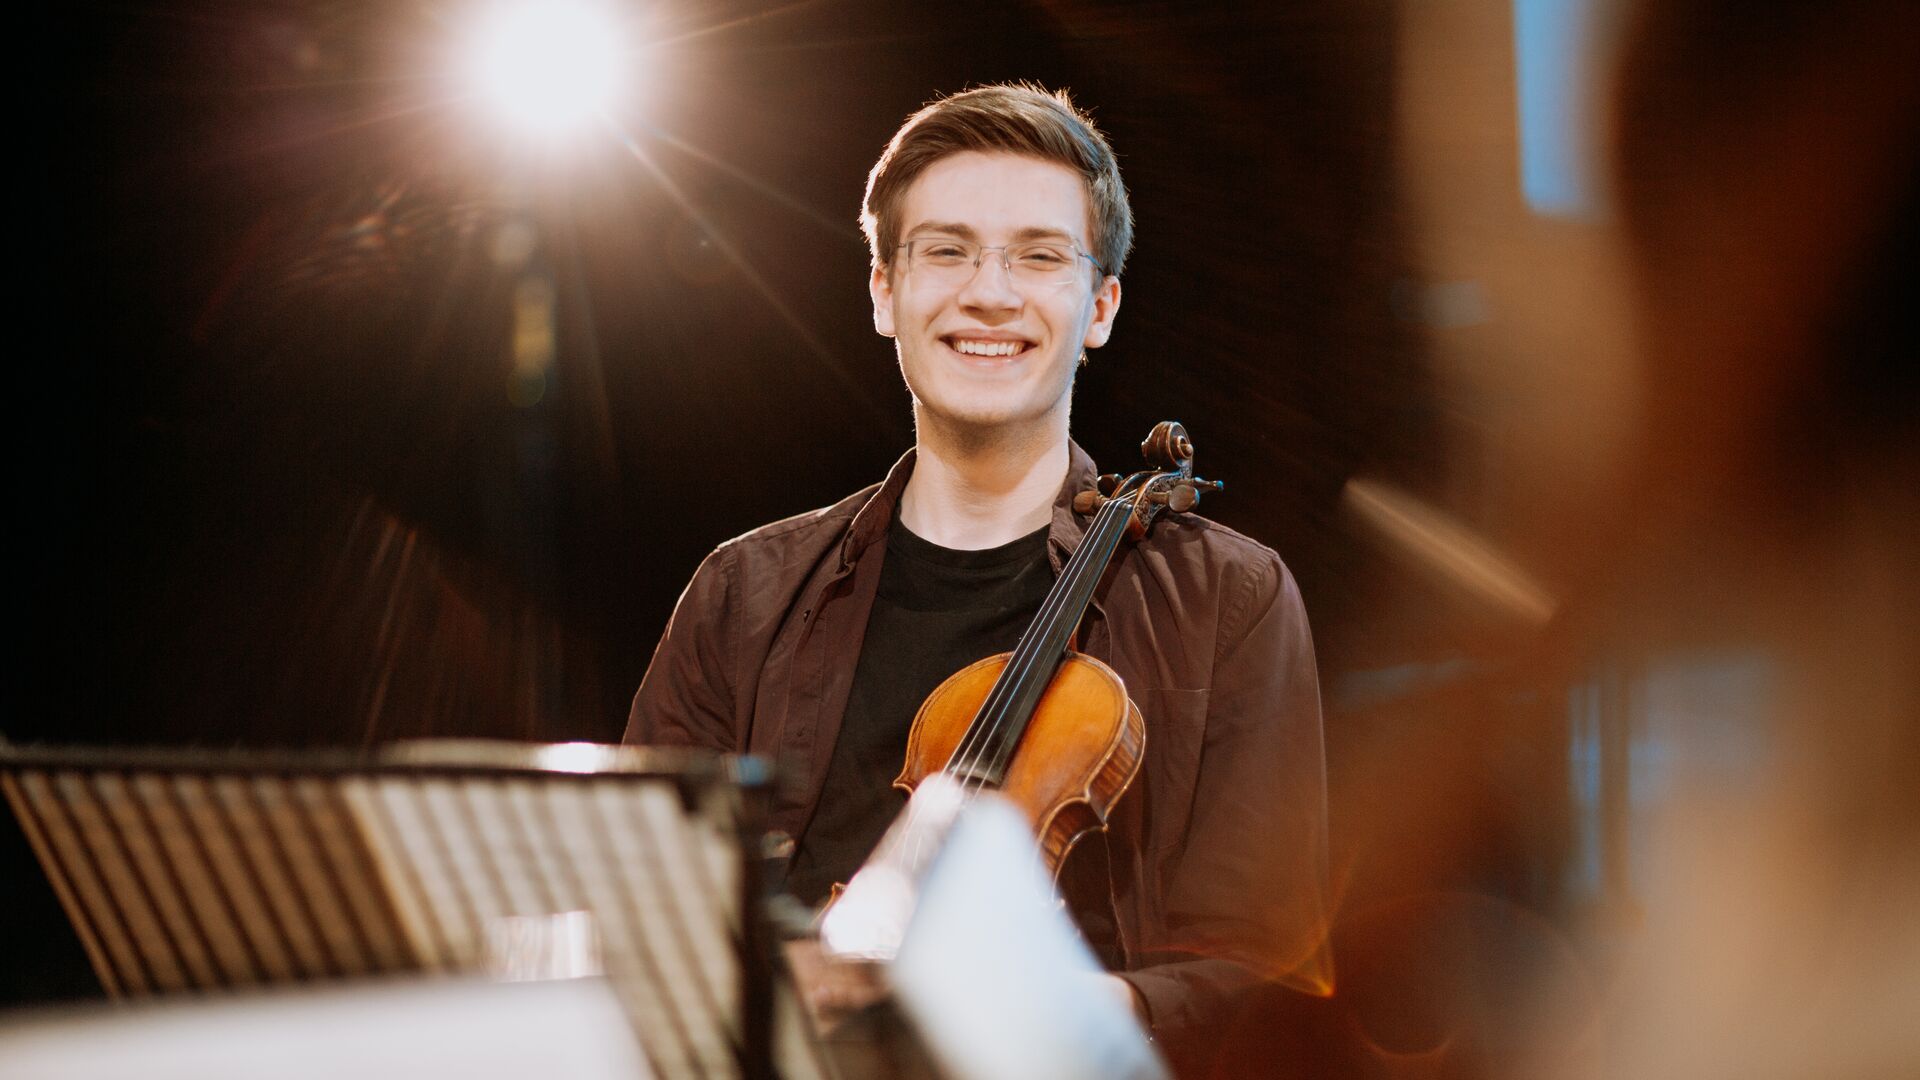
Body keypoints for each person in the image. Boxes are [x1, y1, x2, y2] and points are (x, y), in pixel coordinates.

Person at [625, 83, 1332, 1074]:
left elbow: (1267, 975)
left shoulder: (1231, 601)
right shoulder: (742, 593)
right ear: (884, 292)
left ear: (1100, 308)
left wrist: (1067, 1004)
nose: (989, 292)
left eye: (1040, 256)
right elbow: (640, 914)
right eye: (946, 250)